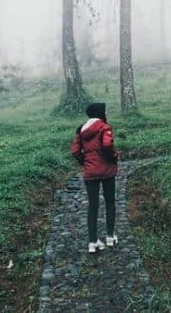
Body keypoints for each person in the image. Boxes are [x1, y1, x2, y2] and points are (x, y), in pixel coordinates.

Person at [71, 102, 120, 253]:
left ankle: (93, 242)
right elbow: (106, 145)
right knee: (110, 202)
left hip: (90, 172)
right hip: (107, 171)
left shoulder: (81, 131)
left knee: (93, 206)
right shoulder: (104, 127)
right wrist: (113, 157)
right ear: (101, 113)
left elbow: (75, 151)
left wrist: (84, 161)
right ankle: (110, 237)